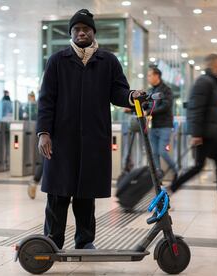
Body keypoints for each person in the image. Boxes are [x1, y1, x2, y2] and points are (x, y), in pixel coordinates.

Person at [37, 9, 144, 250]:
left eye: (86, 29)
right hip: (61, 140)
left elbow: (118, 92)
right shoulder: (57, 61)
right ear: (71, 33)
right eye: (77, 29)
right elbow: (46, 99)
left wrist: (131, 96)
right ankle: (52, 241)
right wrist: (43, 132)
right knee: (58, 193)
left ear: (93, 32)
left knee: (86, 195)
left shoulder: (107, 61)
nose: (82, 32)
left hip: (93, 139)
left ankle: (85, 242)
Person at [168, 54, 217, 212]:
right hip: (205, 135)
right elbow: (195, 108)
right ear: (214, 64)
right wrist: (196, 134)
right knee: (199, 167)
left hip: (211, 134)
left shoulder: (211, 83)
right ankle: (169, 191)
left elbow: (208, 110)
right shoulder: (204, 82)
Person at [145, 66, 178, 180]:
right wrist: (133, 108)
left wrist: (149, 112)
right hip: (153, 126)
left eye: (150, 75)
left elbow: (166, 106)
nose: (148, 78)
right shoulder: (150, 91)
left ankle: (176, 171)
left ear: (156, 76)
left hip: (165, 125)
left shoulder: (166, 90)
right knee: (154, 153)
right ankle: (158, 177)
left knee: (162, 151)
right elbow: (146, 105)